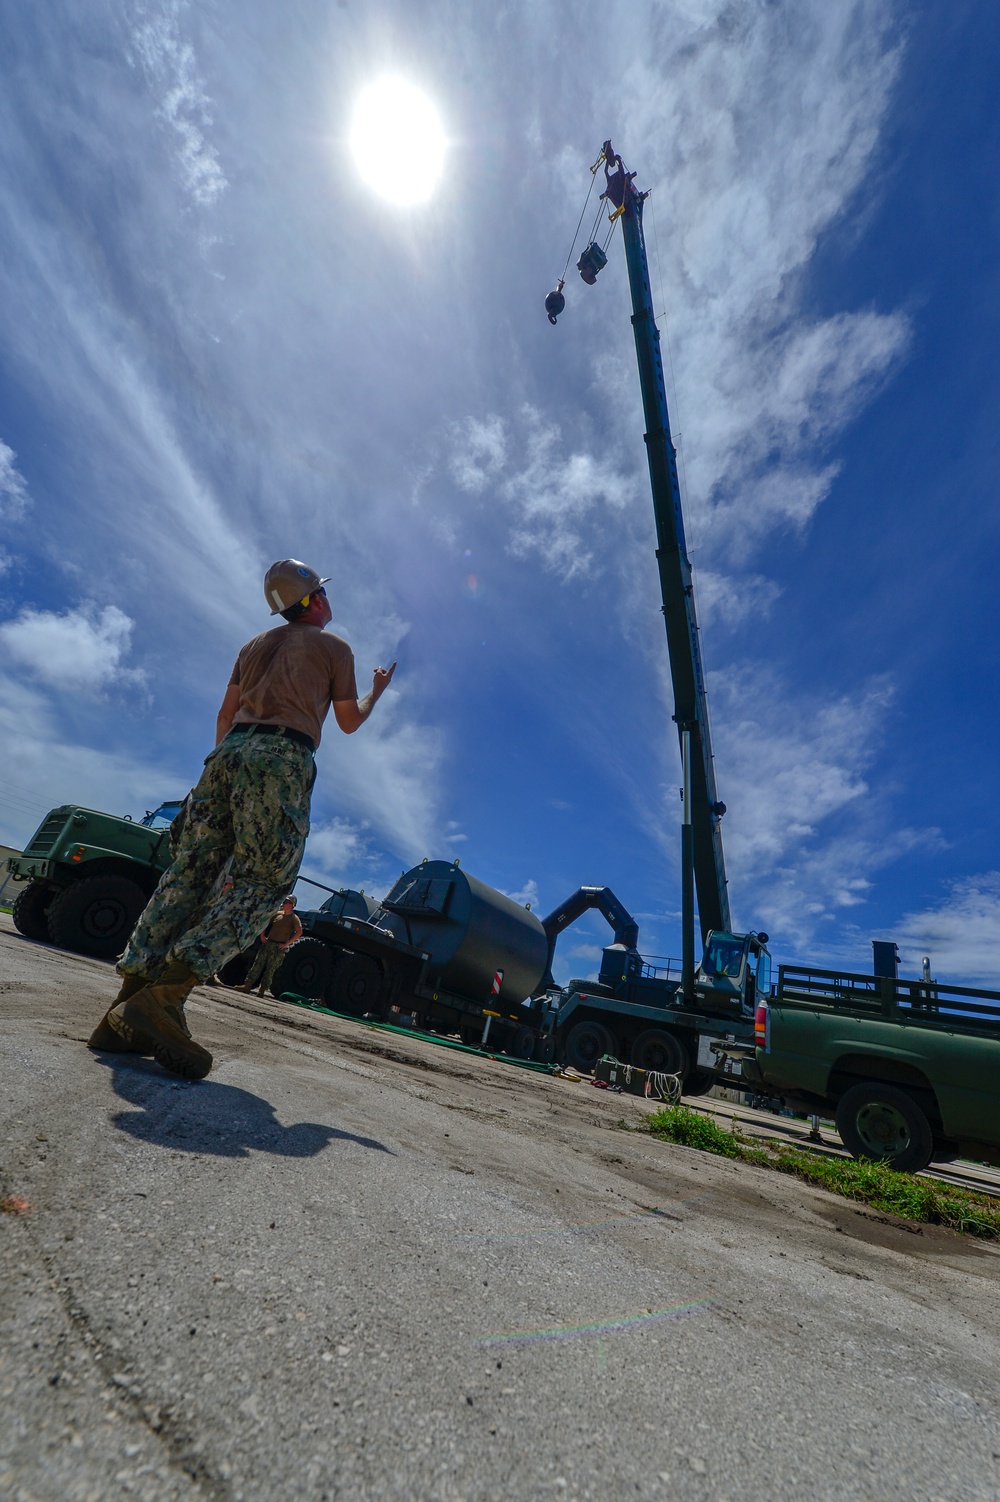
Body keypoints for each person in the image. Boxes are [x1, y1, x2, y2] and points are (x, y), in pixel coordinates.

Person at [87, 559, 395, 1079]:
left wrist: (223, 771)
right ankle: (165, 997)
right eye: (322, 591)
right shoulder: (334, 648)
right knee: (264, 882)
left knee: (189, 876)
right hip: (281, 756)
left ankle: (124, 1008)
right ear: (316, 600)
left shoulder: (252, 646)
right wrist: (376, 691)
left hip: (225, 755)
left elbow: (224, 714)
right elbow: (347, 722)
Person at [239, 895, 303, 997]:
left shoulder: (294, 918)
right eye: (284, 901)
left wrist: (287, 944)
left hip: (278, 947)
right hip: (268, 943)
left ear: (292, 905)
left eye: (287, 902)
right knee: (257, 964)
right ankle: (247, 986)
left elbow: (299, 932)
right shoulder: (278, 914)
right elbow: (265, 922)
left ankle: (262, 990)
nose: (284, 903)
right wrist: (262, 935)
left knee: (270, 969)